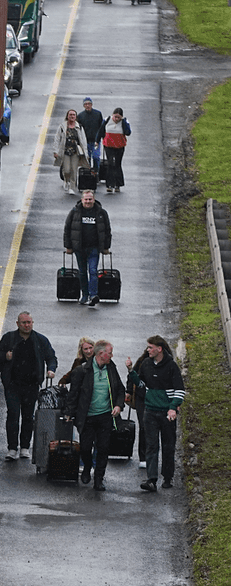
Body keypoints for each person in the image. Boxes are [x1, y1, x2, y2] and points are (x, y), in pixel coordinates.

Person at [0, 312, 58, 461]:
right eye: (24, 323)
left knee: (28, 416)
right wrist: (6, 356)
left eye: (29, 322)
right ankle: (12, 448)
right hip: (12, 385)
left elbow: (51, 357)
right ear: (17, 324)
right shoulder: (9, 338)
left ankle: (24, 447)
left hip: (31, 385)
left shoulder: (40, 340)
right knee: (13, 415)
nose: (27, 325)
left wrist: (51, 370)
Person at [63, 340, 126, 491]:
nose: (112, 355)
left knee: (103, 448)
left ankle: (99, 479)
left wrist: (118, 405)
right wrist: (69, 413)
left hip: (105, 416)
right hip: (87, 417)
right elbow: (73, 395)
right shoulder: (82, 371)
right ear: (100, 354)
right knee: (85, 448)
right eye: (110, 352)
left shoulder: (111, 368)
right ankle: (87, 467)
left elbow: (120, 390)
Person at [124, 336, 185, 491]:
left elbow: (179, 390)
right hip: (150, 411)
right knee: (151, 446)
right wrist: (131, 371)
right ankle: (151, 479)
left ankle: (168, 476)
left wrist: (172, 407)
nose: (148, 350)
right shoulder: (145, 364)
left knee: (168, 445)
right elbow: (142, 385)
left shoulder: (171, 366)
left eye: (151, 347)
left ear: (160, 349)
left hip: (166, 413)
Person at [63, 190, 112, 306]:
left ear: (94, 200)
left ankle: (93, 295)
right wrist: (68, 246)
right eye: (86, 199)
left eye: (90, 199)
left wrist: (106, 247)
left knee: (93, 271)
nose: (88, 202)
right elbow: (67, 229)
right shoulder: (74, 212)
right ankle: (84, 295)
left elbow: (107, 230)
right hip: (79, 248)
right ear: (82, 200)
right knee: (82, 272)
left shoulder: (101, 213)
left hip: (94, 247)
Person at [53, 109, 91, 195]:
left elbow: (83, 141)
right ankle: (66, 180)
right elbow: (57, 139)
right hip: (65, 151)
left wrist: (86, 153)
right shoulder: (62, 127)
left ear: (76, 117)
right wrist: (55, 151)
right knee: (66, 169)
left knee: (74, 169)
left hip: (75, 152)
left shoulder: (79, 127)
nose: (72, 116)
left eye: (74, 115)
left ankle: (72, 187)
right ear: (67, 116)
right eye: (70, 115)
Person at [101, 108, 131, 192]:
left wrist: (124, 122)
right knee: (110, 163)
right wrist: (97, 140)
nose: (116, 119)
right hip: (108, 145)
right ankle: (109, 185)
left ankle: (118, 184)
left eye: (118, 117)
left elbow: (128, 132)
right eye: (115, 117)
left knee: (117, 164)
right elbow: (101, 129)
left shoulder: (124, 122)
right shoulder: (107, 120)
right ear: (112, 115)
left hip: (119, 146)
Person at [76, 98, 105, 173]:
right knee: (86, 158)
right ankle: (88, 173)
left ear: (92, 105)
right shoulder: (80, 116)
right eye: (86, 104)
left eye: (89, 104)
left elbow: (101, 127)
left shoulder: (98, 114)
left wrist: (103, 137)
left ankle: (96, 172)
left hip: (96, 141)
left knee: (96, 157)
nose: (87, 106)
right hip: (85, 142)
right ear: (83, 106)